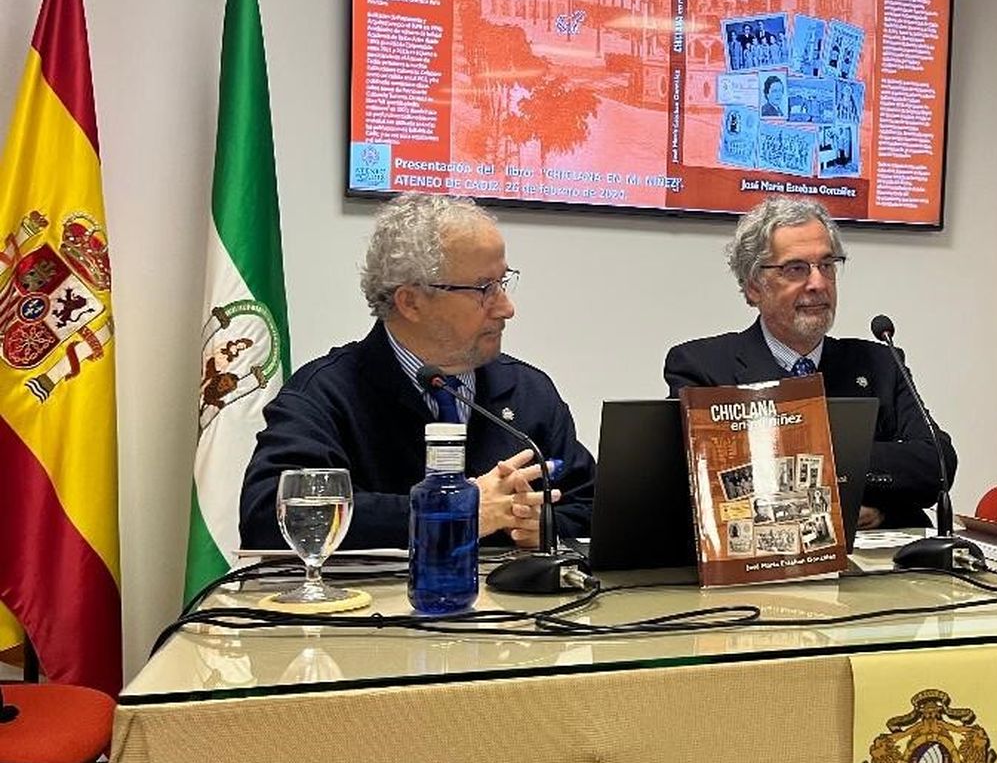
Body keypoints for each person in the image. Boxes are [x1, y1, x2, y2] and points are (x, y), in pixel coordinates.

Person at [239, 193, 595, 550]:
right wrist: (452, 510)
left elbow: (591, 508)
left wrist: (544, 525)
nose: (506, 308)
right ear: (411, 302)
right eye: (484, 289)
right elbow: (268, 516)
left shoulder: (528, 391)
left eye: (502, 283)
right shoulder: (325, 393)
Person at [663, 197, 957, 529]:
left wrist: (876, 505)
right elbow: (705, 486)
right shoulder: (703, 368)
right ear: (754, 286)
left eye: (827, 265)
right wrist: (842, 497)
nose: (818, 283)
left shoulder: (879, 363)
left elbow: (937, 463)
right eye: (796, 268)